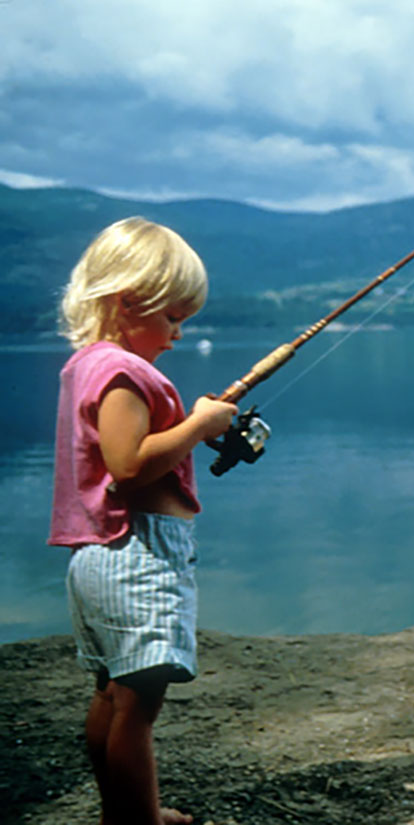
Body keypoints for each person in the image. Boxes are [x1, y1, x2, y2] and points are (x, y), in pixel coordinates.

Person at [48, 217, 238, 825]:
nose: (178, 336)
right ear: (129, 301)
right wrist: (198, 428)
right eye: (173, 318)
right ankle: (138, 821)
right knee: (138, 706)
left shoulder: (87, 364)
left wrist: (183, 435)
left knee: (112, 693)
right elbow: (127, 466)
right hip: (137, 556)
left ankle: (126, 814)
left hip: (101, 556)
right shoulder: (122, 372)